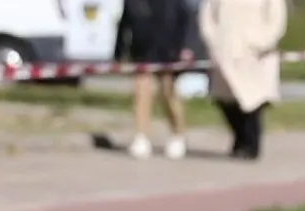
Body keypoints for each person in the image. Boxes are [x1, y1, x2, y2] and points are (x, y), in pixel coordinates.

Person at [199, 0, 287, 161]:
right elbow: (207, 17)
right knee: (226, 99)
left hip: (256, 54)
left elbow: (276, 19)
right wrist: (214, 42)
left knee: (253, 99)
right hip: (225, 50)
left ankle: (251, 145)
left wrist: (263, 41)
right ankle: (240, 138)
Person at [115, 0, 194, 160]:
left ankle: (177, 134)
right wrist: (118, 53)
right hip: (141, 52)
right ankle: (141, 137)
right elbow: (124, 24)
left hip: (168, 52)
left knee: (168, 95)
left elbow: (186, 20)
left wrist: (185, 47)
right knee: (141, 95)